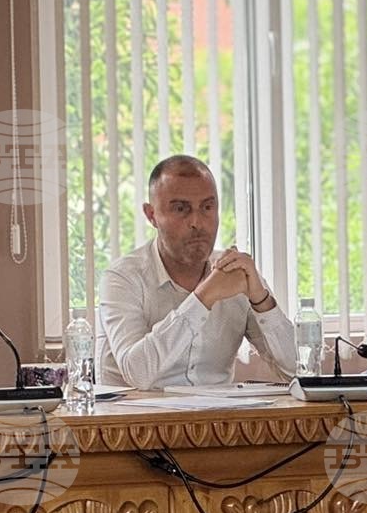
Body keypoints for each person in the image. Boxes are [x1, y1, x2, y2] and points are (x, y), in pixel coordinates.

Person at [98, 154, 295, 389]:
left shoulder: (234, 273)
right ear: (152, 215)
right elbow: (137, 373)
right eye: (181, 209)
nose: (197, 222)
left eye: (207, 207)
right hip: (134, 412)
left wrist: (261, 299)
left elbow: (298, 371)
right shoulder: (122, 278)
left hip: (218, 412)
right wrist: (204, 297)